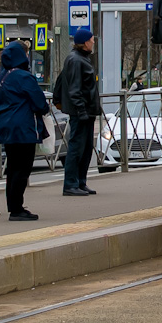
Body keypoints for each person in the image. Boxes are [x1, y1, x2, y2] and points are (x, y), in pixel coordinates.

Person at [0, 40, 50, 221]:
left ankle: (13, 206)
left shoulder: (4, 76)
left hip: (7, 126)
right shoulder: (24, 77)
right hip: (24, 127)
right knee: (22, 168)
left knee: (12, 168)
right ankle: (17, 209)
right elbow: (40, 103)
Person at [54, 27, 102, 196]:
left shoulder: (82, 59)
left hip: (86, 111)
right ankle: (71, 184)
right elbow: (75, 90)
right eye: (92, 40)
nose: (94, 42)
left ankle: (81, 182)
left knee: (86, 148)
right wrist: (81, 110)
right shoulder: (76, 61)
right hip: (80, 112)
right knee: (76, 148)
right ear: (85, 43)